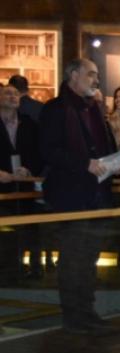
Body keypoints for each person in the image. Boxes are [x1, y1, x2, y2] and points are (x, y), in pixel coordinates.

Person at [40, 58, 118, 334]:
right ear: (73, 75)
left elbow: (103, 149)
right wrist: (84, 163)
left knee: (89, 260)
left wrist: (118, 165)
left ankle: (87, 312)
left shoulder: (95, 109)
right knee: (73, 260)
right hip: (70, 197)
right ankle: (74, 318)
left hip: (97, 196)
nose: (97, 80)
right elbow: (48, 151)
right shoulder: (55, 109)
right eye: (91, 74)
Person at [0, 84, 41, 283]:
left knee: (28, 229)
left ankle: (28, 269)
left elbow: (38, 153)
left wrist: (28, 169)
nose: (13, 97)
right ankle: (7, 270)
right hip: (2, 189)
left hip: (24, 186)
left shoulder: (29, 124)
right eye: (7, 93)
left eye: (16, 93)